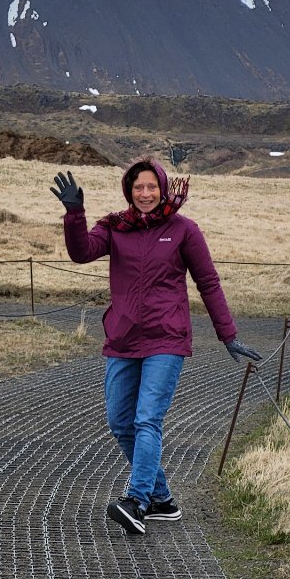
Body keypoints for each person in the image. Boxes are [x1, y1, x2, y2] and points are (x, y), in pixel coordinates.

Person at [51, 157, 262, 535]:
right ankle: (163, 499)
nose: (145, 194)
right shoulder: (115, 227)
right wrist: (74, 214)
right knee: (120, 422)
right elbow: (81, 252)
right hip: (123, 337)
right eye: (138, 188)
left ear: (162, 188)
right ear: (128, 191)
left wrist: (227, 335)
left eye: (151, 187)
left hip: (167, 337)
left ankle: (138, 500)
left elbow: (208, 283)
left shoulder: (183, 230)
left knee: (147, 418)